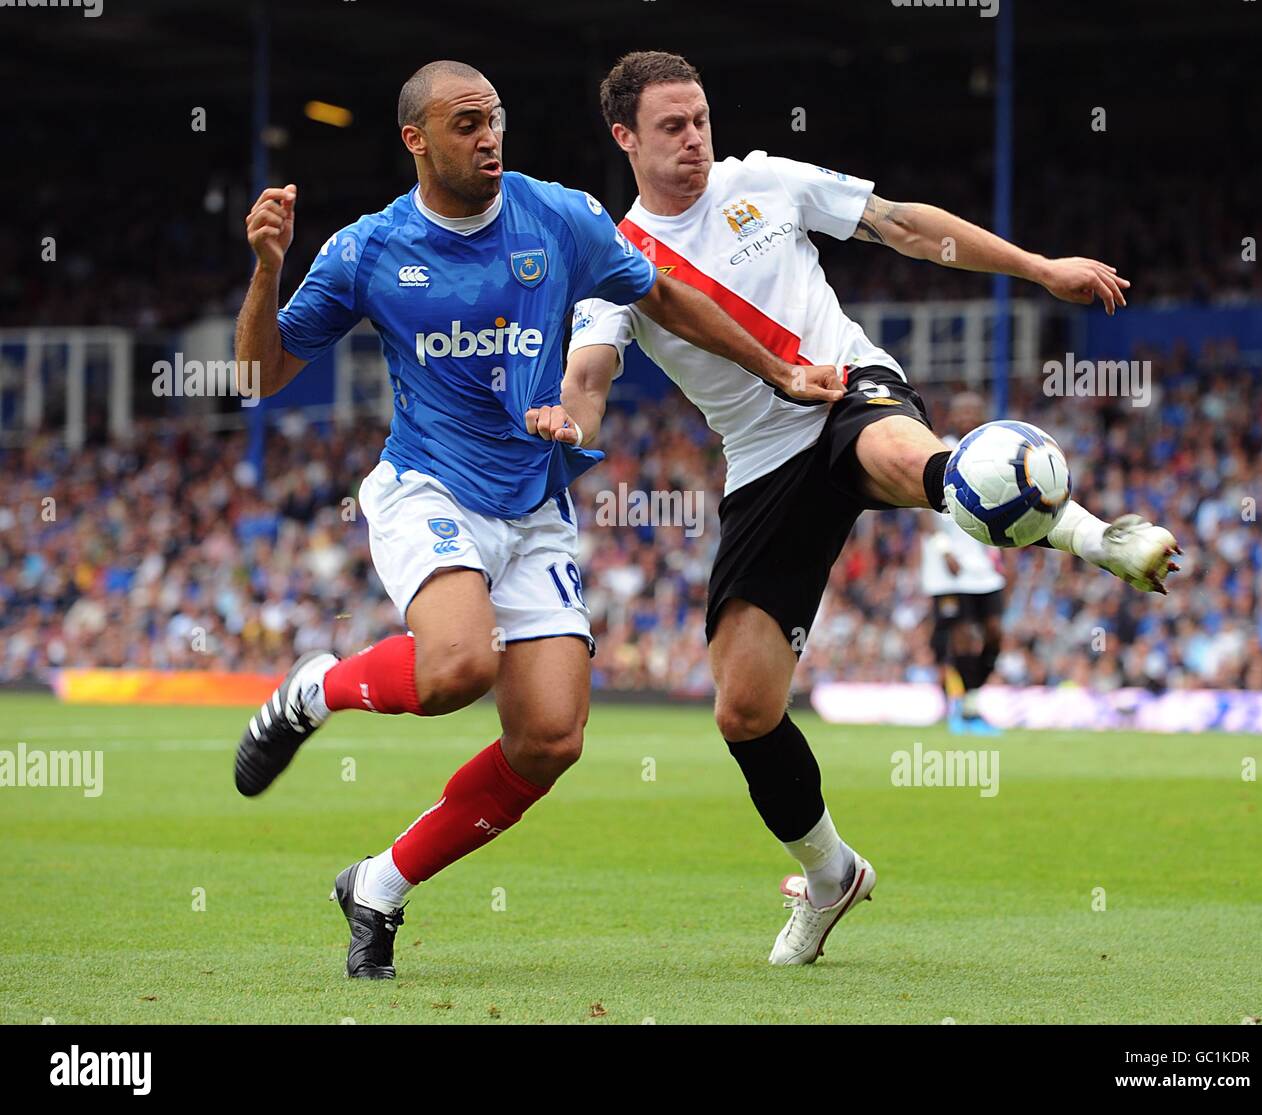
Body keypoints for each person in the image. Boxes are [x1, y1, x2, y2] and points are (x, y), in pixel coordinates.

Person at [550, 50, 1180, 965]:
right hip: (763, 461)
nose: (695, 140)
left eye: (701, 120)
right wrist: (569, 428)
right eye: (671, 128)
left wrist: (1040, 268)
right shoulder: (615, 260)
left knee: (911, 455)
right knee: (744, 709)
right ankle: (833, 871)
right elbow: (589, 375)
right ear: (625, 138)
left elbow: (902, 226)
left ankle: (1092, 532)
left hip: (850, 390)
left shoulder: (763, 180)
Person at [231, 59, 843, 980]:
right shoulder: (367, 249)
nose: (488, 138)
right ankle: (317, 688)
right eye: (466, 123)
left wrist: (779, 368)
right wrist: (267, 271)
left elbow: (665, 294)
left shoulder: (558, 216)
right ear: (417, 140)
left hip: (534, 506)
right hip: (429, 489)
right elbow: (257, 376)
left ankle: (378, 886)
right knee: (458, 664)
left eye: (496, 120)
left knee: (550, 738)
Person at [921, 393, 1007, 735]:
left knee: (994, 634)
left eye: (975, 410)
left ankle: (969, 698)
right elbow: (923, 512)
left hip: (984, 567)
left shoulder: (996, 453)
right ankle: (965, 708)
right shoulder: (939, 451)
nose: (969, 415)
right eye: (963, 410)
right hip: (948, 568)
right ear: (952, 416)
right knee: (960, 634)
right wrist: (944, 550)